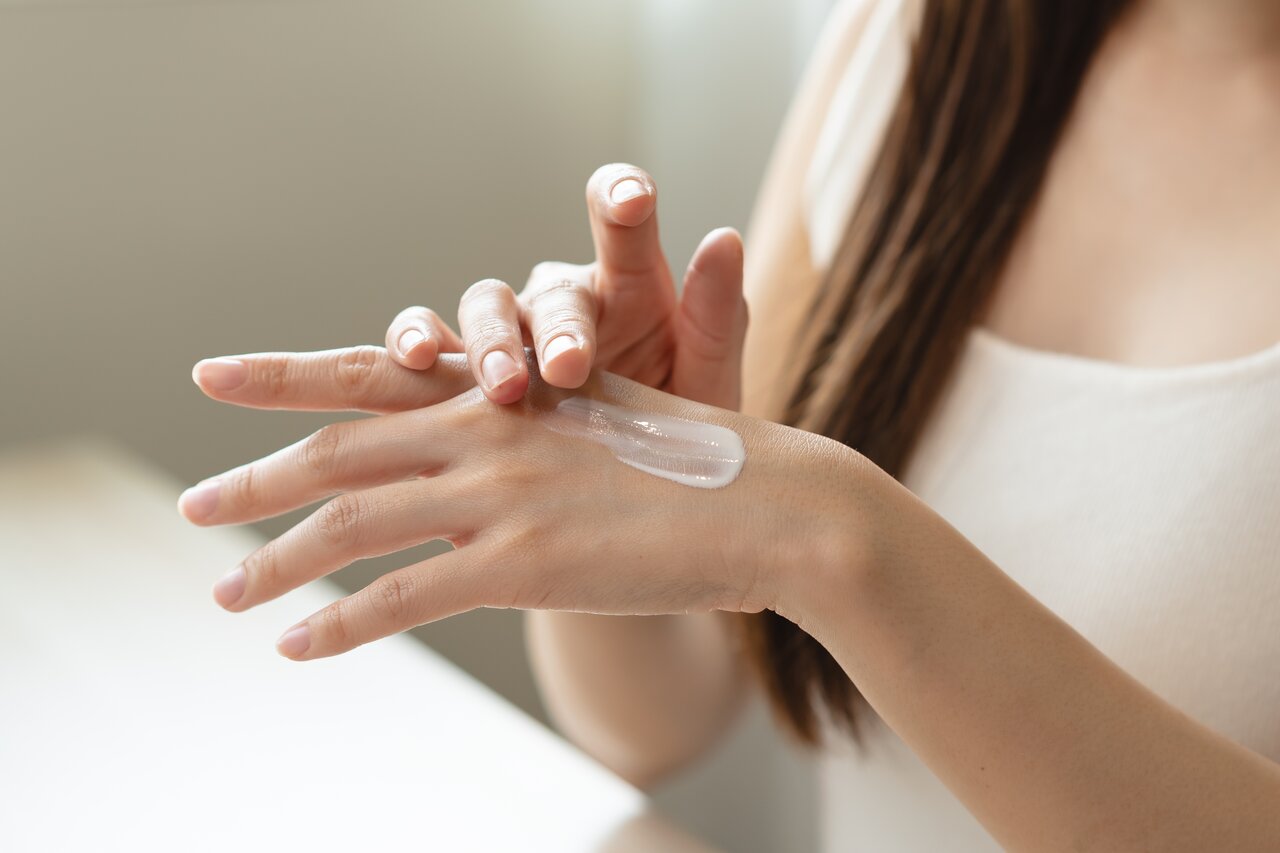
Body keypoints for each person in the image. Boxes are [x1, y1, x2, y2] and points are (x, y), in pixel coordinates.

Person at [179, 0, 1280, 848]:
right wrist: (613, 450)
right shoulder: (913, 48)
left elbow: (810, 534)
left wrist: (832, 539)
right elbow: (660, 719)